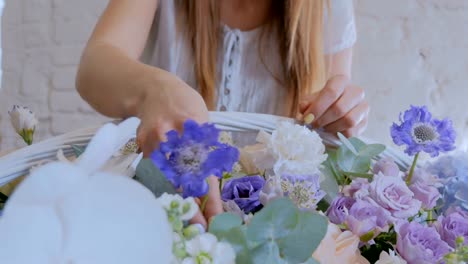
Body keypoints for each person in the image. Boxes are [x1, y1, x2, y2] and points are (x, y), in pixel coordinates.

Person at [76, 0, 369, 228]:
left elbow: (324, 137)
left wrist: (339, 110)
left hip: (269, 227)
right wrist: (155, 90)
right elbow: (94, 66)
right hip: (159, 211)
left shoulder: (326, 8)